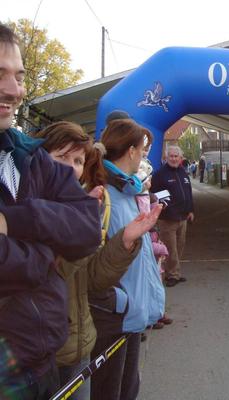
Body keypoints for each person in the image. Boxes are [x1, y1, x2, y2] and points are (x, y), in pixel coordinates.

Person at [0, 23, 101, 399]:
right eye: (0, 74)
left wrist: (17, 221)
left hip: (42, 366)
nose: (14, 90)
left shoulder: (28, 156)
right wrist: (47, 253)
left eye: (19, 76)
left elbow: (88, 228)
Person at [33, 121, 162, 400]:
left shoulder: (81, 202)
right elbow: (43, 274)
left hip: (79, 345)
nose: (71, 167)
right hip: (41, 355)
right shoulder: (21, 207)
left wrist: (125, 242)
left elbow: (89, 278)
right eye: (61, 157)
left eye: (78, 160)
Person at [87, 118, 165, 400]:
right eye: (143, 149)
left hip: (130, 313)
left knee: (127, 388)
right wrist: (120, 304)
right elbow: (89, 261)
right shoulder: (103, 195)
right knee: (110, 391)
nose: (145, 155)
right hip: (116, 317)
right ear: (131, 151)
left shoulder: (126, 191)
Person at [151, 145, 195, 287]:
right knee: (170, 248)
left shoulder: (183, 172)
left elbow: (188, 193)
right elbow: (152, 195)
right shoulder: (159, 174)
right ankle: (172, 275)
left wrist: (191, 210)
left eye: (176, 156)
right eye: (171, 156)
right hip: (167, 219)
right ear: (166, 157)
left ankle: (175, 271)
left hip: (183, 217)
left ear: (181, 158)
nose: (174, 158)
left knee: (180, 246)